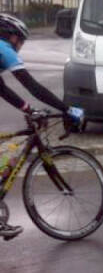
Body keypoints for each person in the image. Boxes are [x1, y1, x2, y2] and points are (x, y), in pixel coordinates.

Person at [0, 14, 85, 240]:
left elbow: (3, 89)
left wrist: (28, 109)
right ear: (10, 36)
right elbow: (32, 86)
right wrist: (66, 109)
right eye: (20, 41)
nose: (20, 47)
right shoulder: (3, 48)